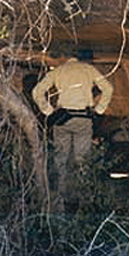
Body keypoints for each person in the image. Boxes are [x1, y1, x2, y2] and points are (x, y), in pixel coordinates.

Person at [32, 49, 113, 211]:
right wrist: (99, 110)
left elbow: (37, 92)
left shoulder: (59, 71)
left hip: (62, 119)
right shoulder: (89, 70)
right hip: (83, 119)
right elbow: (108, 89)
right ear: (86, 60)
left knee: (61, 160)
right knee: (82, 160)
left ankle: (62, 199)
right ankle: (83, 201)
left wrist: (48, 111)